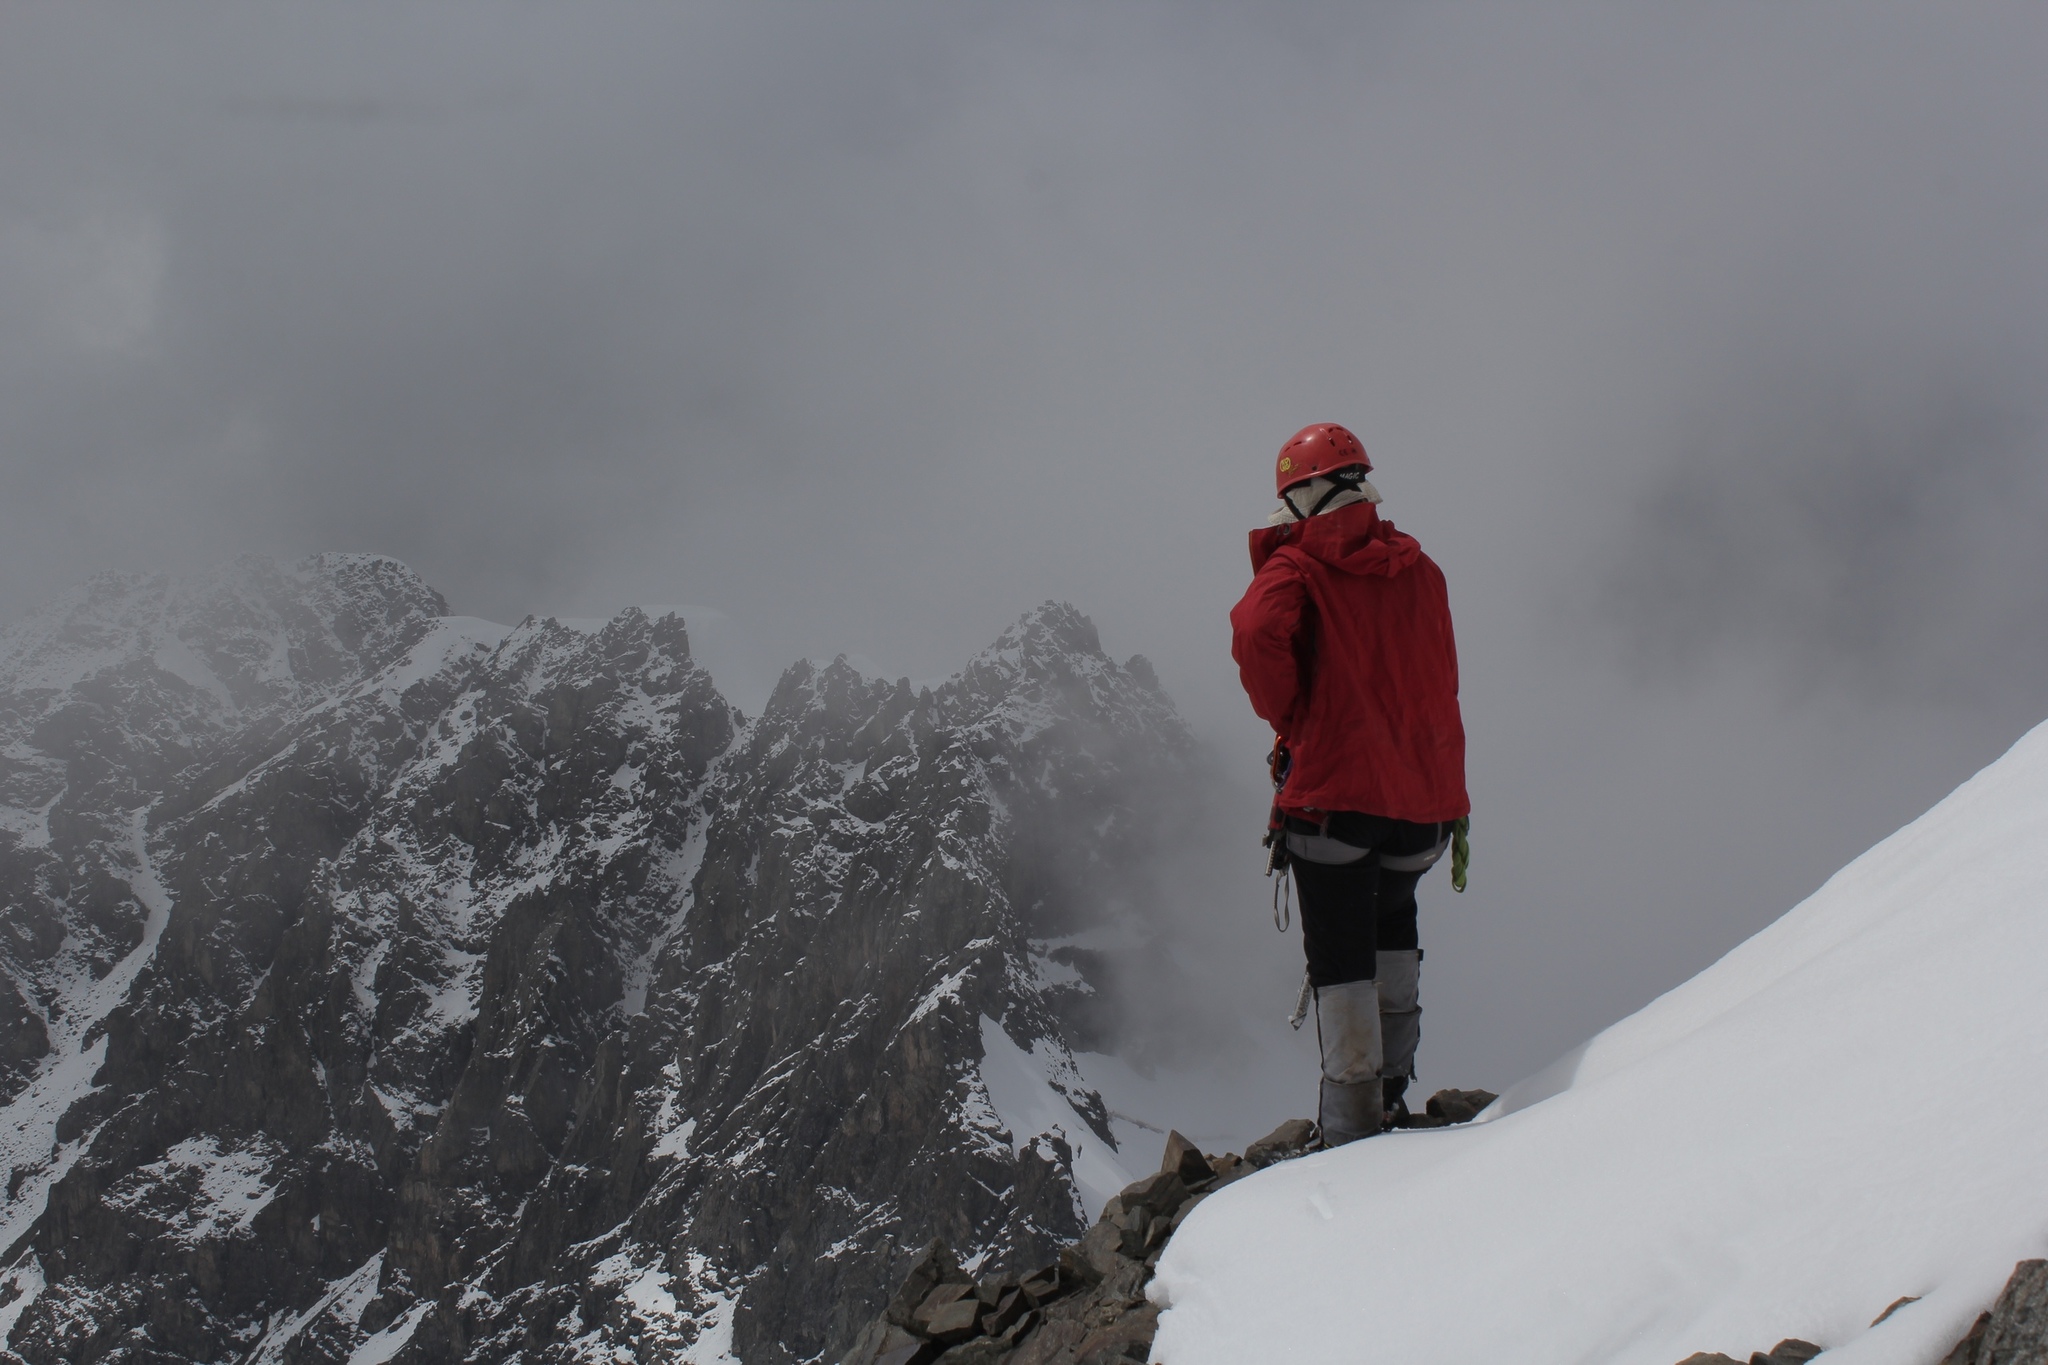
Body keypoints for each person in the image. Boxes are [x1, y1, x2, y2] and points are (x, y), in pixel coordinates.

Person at [1229, 423, 1470, 1146]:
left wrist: (1294, 714)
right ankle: (1394, 1092)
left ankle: (1351, 1126)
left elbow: (1254, 633)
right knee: (1394, 929)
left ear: (1302, 495)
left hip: (1335, 801)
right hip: (1422, 809)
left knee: (1340, 961)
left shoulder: (1297, 568)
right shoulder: (1420, 570)